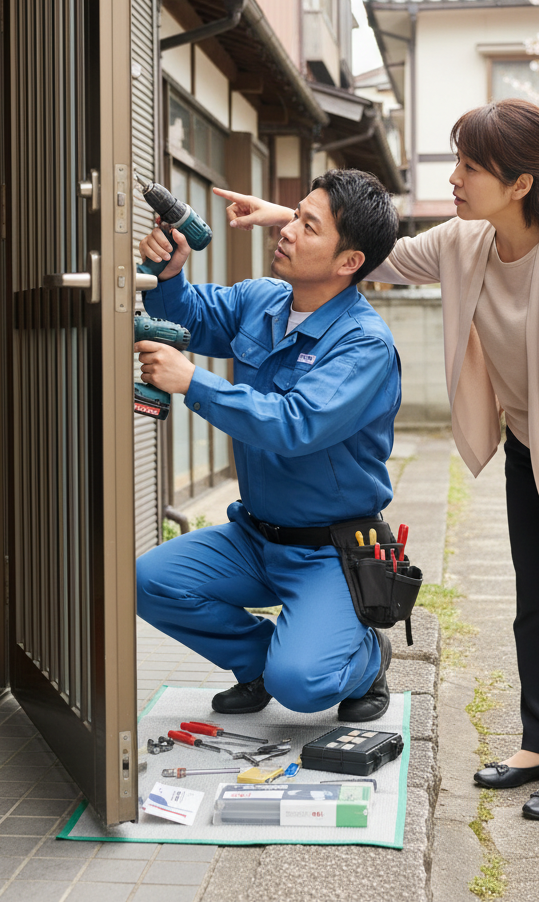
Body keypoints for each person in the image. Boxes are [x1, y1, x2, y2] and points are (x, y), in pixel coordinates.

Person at [220, 99, 539, 820]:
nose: (453, 178)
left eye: (470, 167)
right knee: (535, 608)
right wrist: (281, 218)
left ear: (518, 184)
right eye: (457, 161)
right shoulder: (467, 240)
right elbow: (377, 253)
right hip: (529, 443)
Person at [134, 168, 401, 721]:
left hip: (329, 551)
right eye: (295, 214)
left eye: (308, 225)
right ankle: (258, 663)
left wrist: (192, 381)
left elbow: (294, 424)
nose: (286, 230)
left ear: (349, 262)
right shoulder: (263, 300)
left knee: (304, 687)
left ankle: (367, 657)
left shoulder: (364, 345)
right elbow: (188, 316)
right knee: (149, 581)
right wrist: (166, 272)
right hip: (254, 536)